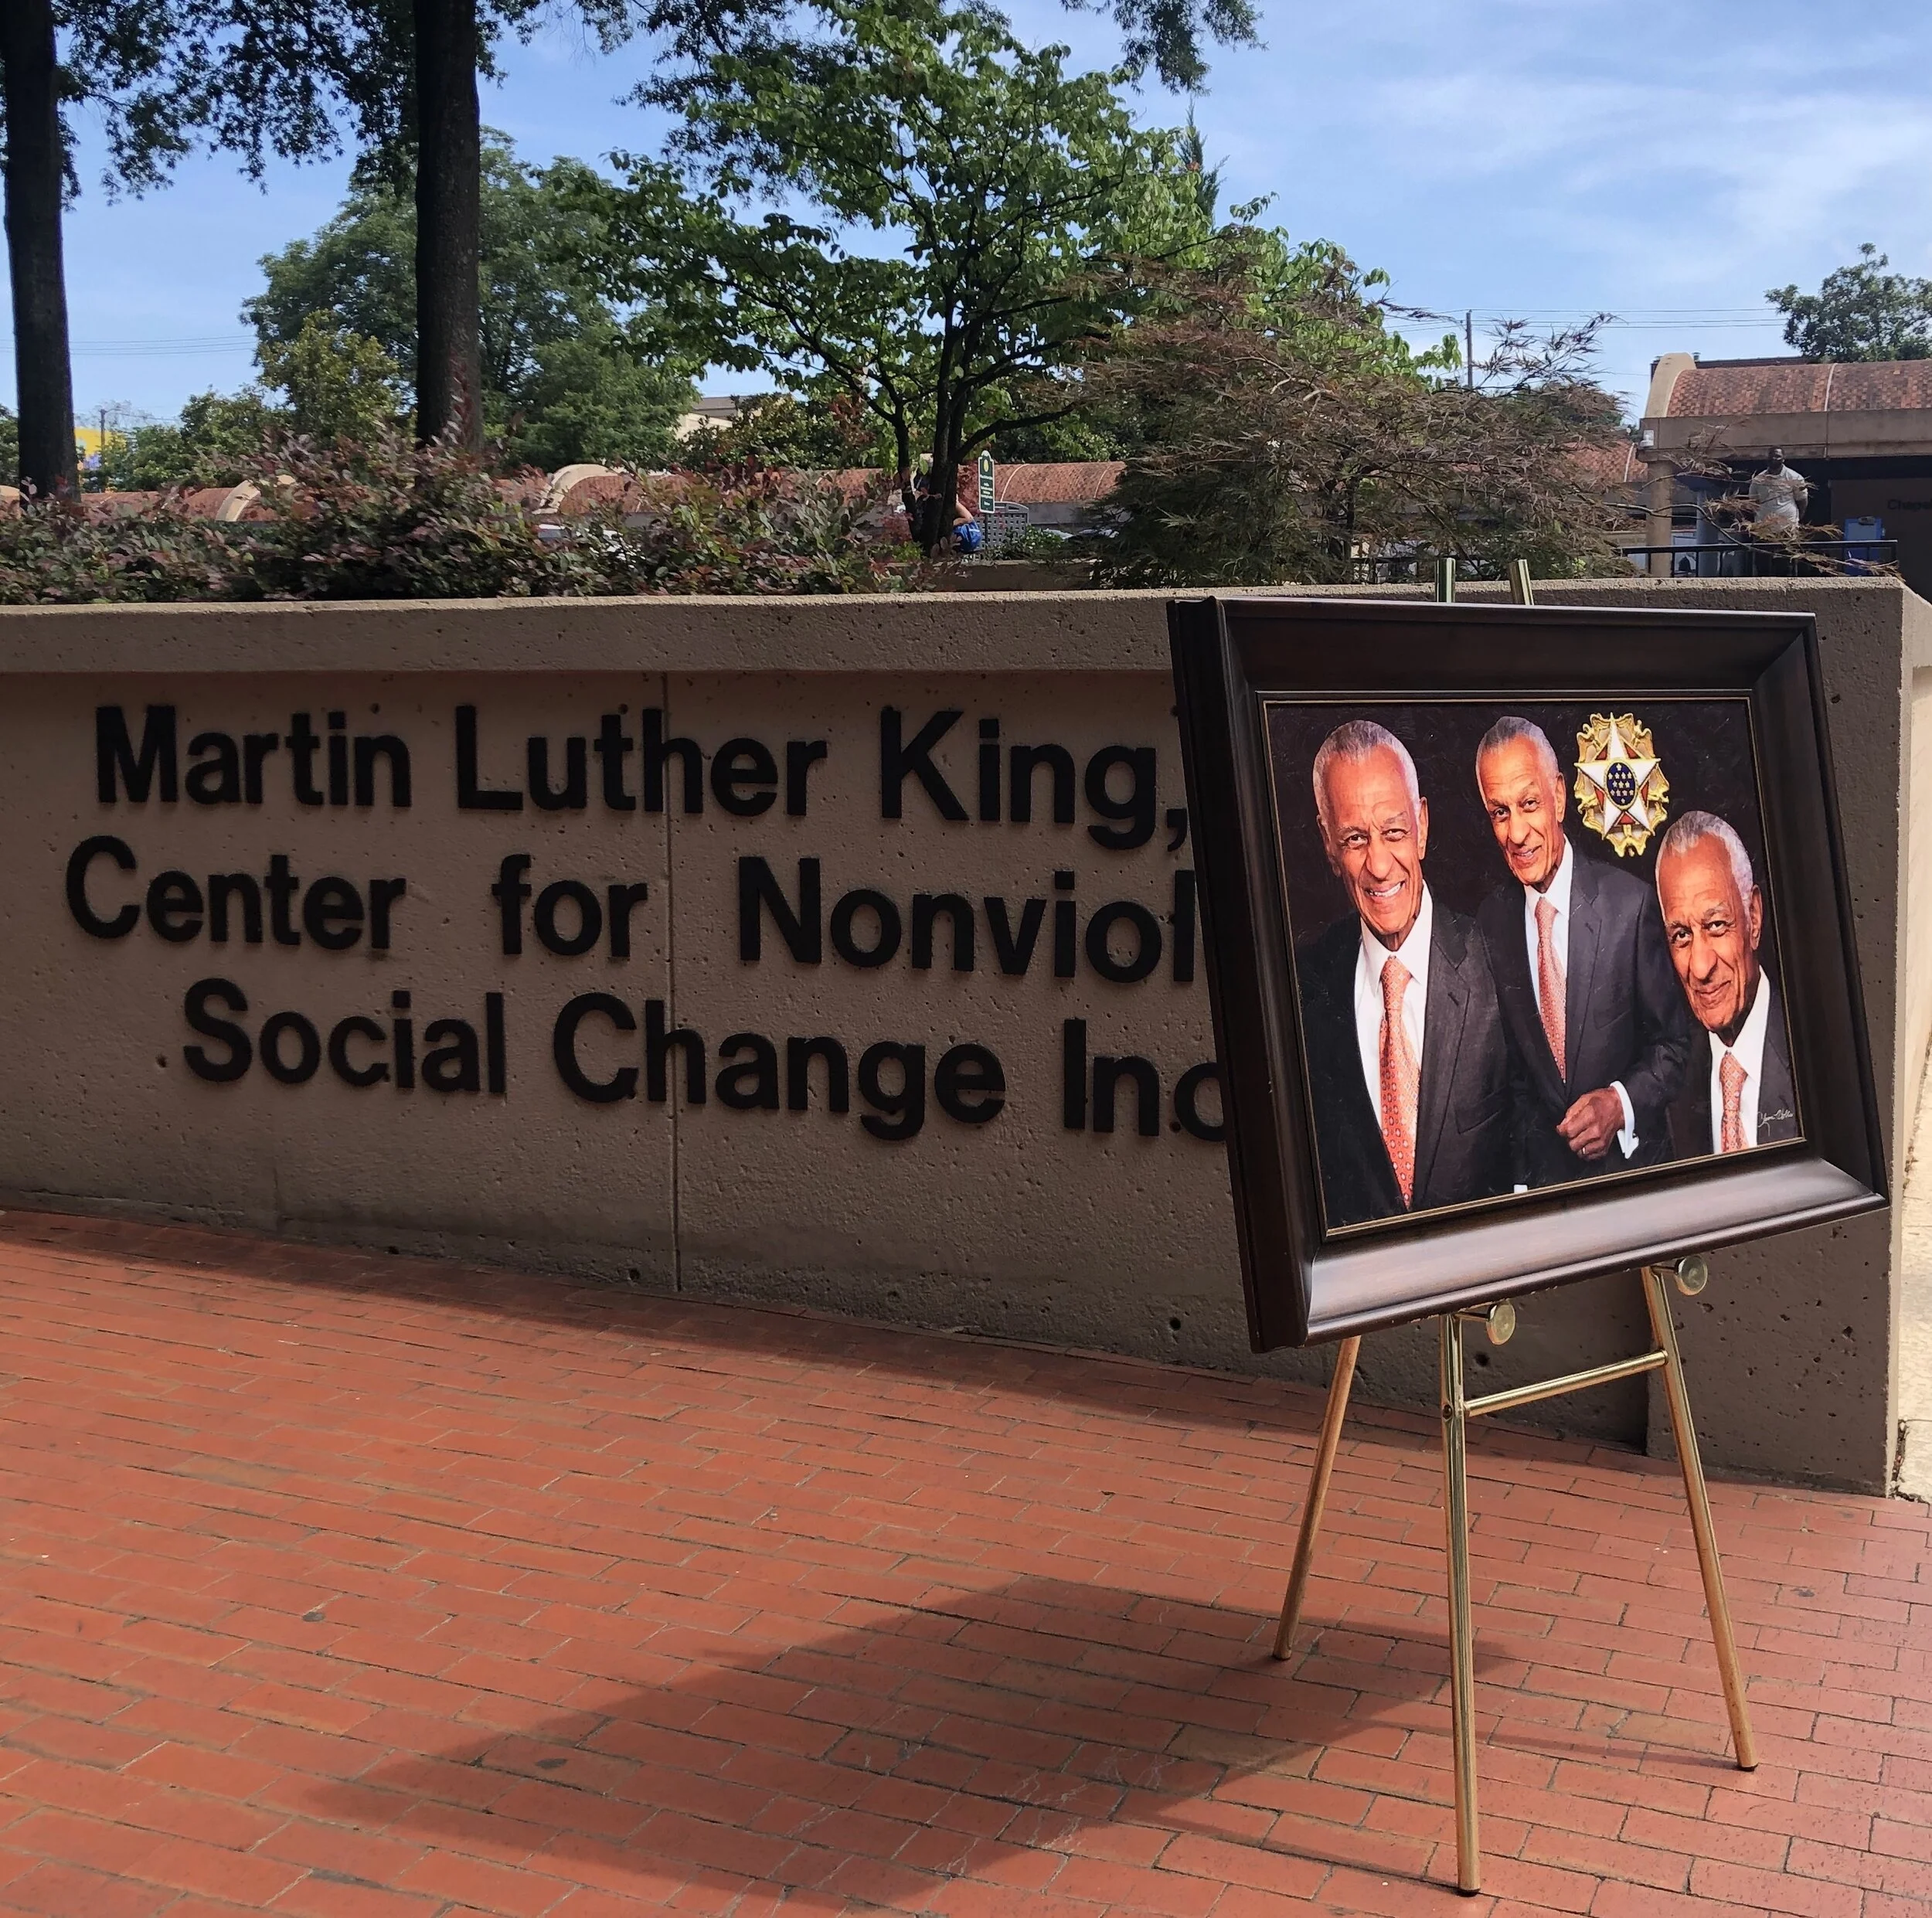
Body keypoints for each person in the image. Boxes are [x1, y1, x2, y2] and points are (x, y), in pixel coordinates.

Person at [1294, 719, 1513, 1228]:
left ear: (1422, 826)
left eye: (1394, 831)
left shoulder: (1500, 962)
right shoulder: (1303, 986)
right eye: (1354, 838)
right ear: (1329, 843)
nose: (1378, 863)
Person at [1472, 717, 1690, 1188]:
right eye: (1499, 812)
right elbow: (1512, 1080)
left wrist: (1619, 1103)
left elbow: (1675, 1048)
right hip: (1545, 1201)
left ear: (1559, 796)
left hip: (1634, 1185)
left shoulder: (1630, 906)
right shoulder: (1491, 924)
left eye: (1529, 804)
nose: (1516, 832)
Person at [1655, 811, 1798, 1156]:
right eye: (1682, 935)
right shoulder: (1673, 1086)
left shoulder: (1815, 1052)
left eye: (1717, 925)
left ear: (1754, 918)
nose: (1701, 967)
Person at [1747, 448, 1808, 534]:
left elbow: (1802, 501)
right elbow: (1753, 503)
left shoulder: (1795, 478)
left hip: (1787, 527)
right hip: (1764, 528)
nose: (1774, 459)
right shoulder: (1758, 480)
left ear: (1783, 459)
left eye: (1778, 456)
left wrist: (1797, 518)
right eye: (1771, 456)